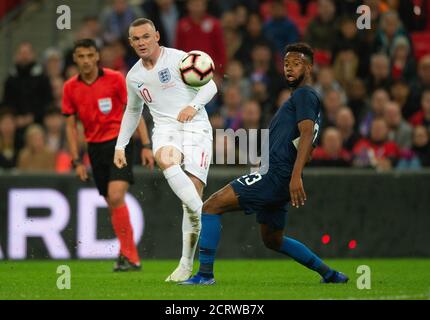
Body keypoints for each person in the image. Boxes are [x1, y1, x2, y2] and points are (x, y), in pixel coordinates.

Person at [180, 43, 348, 285]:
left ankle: (205, 275)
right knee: (273, 239)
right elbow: (307, 146)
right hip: (278, 175)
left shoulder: (304, 95)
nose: (289, 68)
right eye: (286, 64)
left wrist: (294, 175)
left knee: (211, 206)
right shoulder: (306, 101)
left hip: (276, 176)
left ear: (309, 68)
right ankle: (330, 275)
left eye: (297, 64)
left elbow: (307, 133)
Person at [113, 18, 218, 282]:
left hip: (196, 127)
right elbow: (133, 110)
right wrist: (120, 144)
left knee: (192, 194)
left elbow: (211, 85)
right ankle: (203, 213)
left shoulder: (179, 59)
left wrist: (192, 107)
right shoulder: (134, 76)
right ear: (130, 42)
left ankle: (185, 263)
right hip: (165, 129)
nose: (141, 42)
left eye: (146, 36)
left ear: (157, 36)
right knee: (165, 159)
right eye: (136, 39)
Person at [62, 39, 154, 272]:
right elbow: (71, 127)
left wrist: (145, 144)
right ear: (75, 59)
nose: (85, 60)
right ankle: (126, 254)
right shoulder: (70, 88)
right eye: (80, 56)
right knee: (112, 203)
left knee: (115, 196)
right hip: (94, 148)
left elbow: (134, 111)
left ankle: (132, 257)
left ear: (97, 57)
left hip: (118, 143)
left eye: (89, 55)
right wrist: (76, 160)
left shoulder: (115, 79)